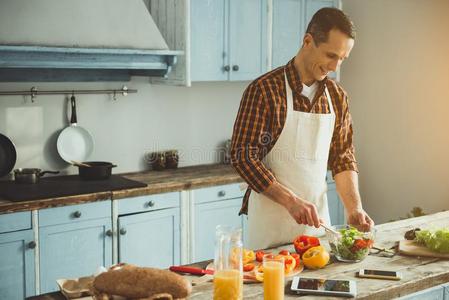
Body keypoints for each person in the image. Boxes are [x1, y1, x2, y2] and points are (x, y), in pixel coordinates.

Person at [230, 7, 374, 250]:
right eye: (331, 55)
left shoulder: (337, 97)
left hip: (317, 229)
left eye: (342, 59)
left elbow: (343, 157)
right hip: (269, 231)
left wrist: (354, 208)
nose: (335, 66)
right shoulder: (264, 91)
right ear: (308, 41)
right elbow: (243, 156)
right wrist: (291, 201)